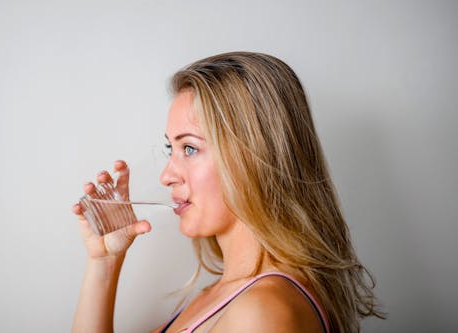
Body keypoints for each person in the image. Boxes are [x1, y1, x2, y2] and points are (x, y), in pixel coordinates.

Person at [71, 51, 384, 332]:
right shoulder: (224, 295)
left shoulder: (261, 314)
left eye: (190, 148)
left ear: (253, 157)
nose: (167, 175)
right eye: (171, 148)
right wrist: (105, 263)